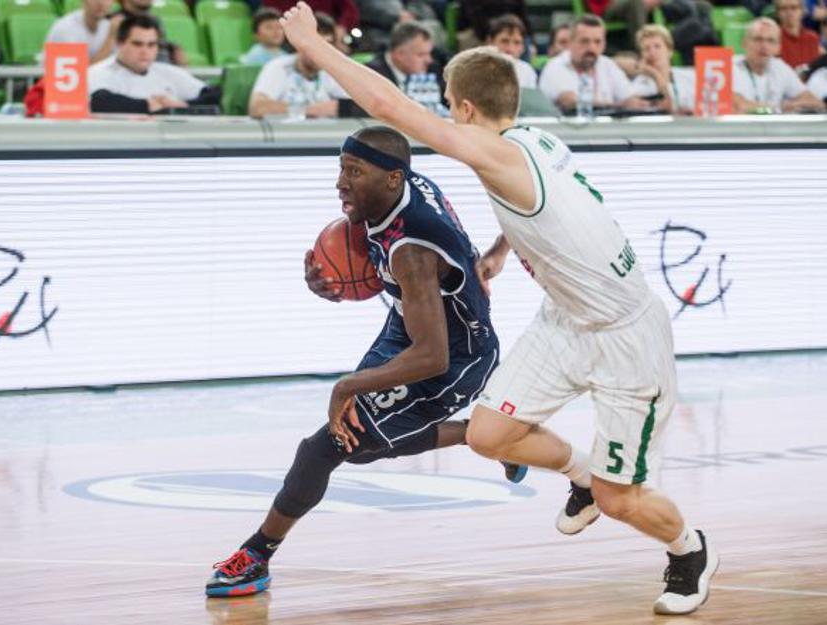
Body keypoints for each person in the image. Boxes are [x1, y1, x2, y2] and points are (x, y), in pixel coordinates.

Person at [279, 2, 719, 615]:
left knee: (622, 499)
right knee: (490, 436)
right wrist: (498, 253)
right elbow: (554, 211)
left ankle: (688, 549)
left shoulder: (496, 154)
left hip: (625, 338)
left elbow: (388, 107)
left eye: (447, 107)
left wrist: (314, 45)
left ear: (463, 109)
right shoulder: (535, 139)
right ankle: (582, 475)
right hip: (566, 319)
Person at [206, 125, 514, 597]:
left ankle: (256, 555)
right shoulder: (402, 185)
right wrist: (331, 283)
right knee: (364, 443)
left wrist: (347, 384)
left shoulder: (412, 250)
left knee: (327, 445)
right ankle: (490, 436)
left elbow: (431, 356)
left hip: (456, 359)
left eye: (353, 172)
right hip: (411, 324)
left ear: (391, 178)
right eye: (341, 169)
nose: (340, 183)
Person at [88, 15, 218, 114]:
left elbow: (215, 95)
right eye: (137, 44)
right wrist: (147, 105)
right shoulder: (97, 72)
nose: (145, 51)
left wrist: (183, 105)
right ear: (119, 44)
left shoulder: (168, 72)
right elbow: (99, 102)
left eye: (151, 45)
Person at [538, 15, 649, 112]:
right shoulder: (555, 67)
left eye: (597, 42)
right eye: (584, 41)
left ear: (604, 44)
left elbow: (630, 99)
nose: (591, 48)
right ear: (570, 42)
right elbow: (570, 103)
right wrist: (619, 105)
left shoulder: (607, 65)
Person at [248, 12, 349, 118]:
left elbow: (355, 105)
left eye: (327, 46)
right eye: (316, 45)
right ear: (300, 44)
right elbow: (257, 108)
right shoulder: (278, 67)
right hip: (288, 128)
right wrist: (310, 110)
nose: (321, 52)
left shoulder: (332, 70)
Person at [732, 17, 825, 112]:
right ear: (744, 43)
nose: (764, 46)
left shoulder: (780, 67)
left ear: (778, 48)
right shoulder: (730, 66)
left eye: (771, 41)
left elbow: (813, 101)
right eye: (758, 39)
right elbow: (737, 106)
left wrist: (794, 105)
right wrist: (779, 108)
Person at [365, 22, 446, 100]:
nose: (429, 60)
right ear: (399, 55)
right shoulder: (372, 76)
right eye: (421, 55)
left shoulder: (433, 69)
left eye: (429, 53)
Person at [630, 24, 695, 114]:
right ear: (642, 55)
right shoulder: (640, 84)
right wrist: (654, 74)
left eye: (657, 46)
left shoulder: (690, 75)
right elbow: (667, 108)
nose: (652, 52)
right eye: (646, 49)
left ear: (670, 51)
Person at [45, 0, 115, 63]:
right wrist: (110, 38)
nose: (100, 2)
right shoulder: (64, 29)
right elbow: (77, 72)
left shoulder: (111, 24)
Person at [486, 14, 538, 89]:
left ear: (523, 47)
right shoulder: (476, 70)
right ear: (490, 42)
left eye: (517, 42)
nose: (510, 49)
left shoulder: (527, 71)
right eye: (504, 41)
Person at [776, 0, 824, 69]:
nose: (789, 12)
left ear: (802, 11)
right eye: (784, 8)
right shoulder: (773, 38)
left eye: (794, 8)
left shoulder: (813, 38)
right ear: (778, 13)